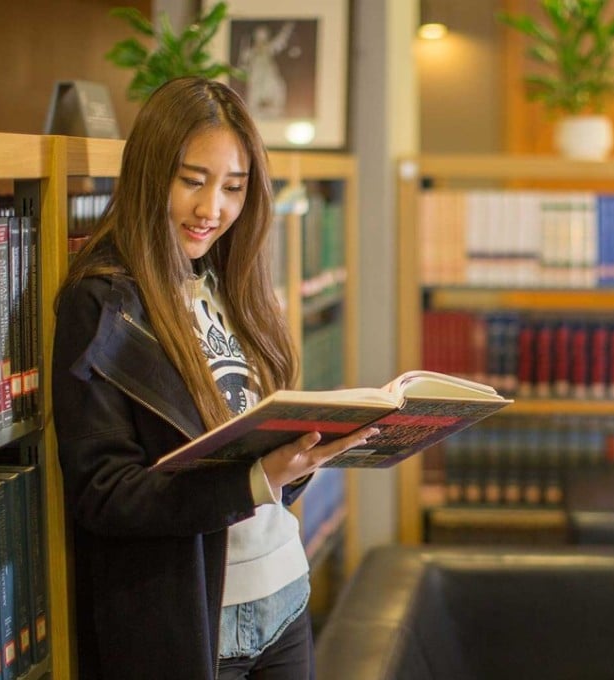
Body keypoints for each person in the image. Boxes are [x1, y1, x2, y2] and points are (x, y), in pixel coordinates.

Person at [51, 76, 375, 680]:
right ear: (151, 175)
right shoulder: (101, 303)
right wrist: (256, 479)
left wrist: (306, 454)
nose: (212, 210)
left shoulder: (230, 282)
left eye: (233, 187)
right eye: (192, 182)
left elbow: (263, 457)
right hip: (197, 621)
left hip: (284, 598)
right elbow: (104, 493)